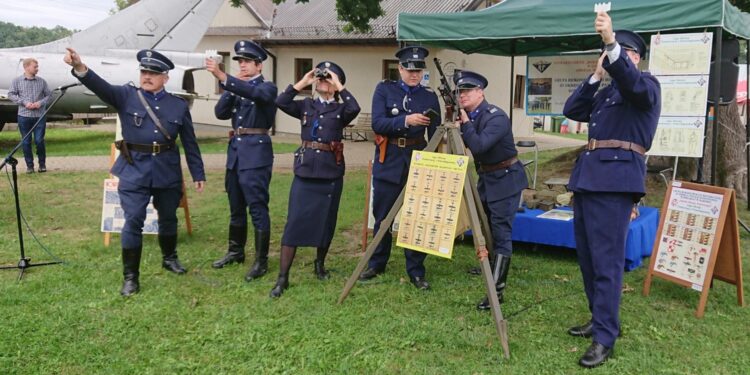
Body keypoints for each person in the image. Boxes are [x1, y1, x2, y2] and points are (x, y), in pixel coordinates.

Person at [64, 47, 206, 296]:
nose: (147, 76)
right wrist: (80, 67)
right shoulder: (126, 96)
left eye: (153, 73)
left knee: (169, 218)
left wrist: (198, 174)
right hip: (134, 169)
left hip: (166, 170)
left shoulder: (178, 105)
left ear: (166, 77)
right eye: (144, 71)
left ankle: (169, 258)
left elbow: (190, 143)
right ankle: (131, 277)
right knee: (133, 221)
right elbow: (101, 87)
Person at [562, 11, 660, 368]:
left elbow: (632, 83)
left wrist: (611, 44)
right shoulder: (605, 95)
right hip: (588, 180)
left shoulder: (646, 86)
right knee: (588, 258)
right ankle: (598, 318)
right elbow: (572, 109)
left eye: (625, 54)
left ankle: (606, 336)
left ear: (635, 57)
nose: (618, 59)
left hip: (616, 183)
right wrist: (594, 76)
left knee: (606, 261)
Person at [271, 61, 361, 297]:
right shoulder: (306, 105)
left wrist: (338, 84)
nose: (323, 80)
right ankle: (283, 278)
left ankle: (319, 265)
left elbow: (355, 108)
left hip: (330, 172)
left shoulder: (341, 110)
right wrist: (304, 81)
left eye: (328, 78)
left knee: (326, 222)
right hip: (306, 171)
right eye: (321, 77)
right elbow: (281, 102)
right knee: (294, 223)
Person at [359, 46, 441, 290]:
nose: (414, 74)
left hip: (418, 157)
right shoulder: (384, 89)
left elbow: (435, 132)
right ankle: (377, 262)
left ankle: (416, 270)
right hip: (390, 157)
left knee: (417, 215)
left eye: (418, 70)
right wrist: (406, 120)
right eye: (409, 70)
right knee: (383, 215)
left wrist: (433, 161)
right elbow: (377, 123)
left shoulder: (429, 96)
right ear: (400, 68)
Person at [450, 70, 527, 310]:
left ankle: (497, 291)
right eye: (460, 92)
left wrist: (464, 124)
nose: (463, 96)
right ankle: (492, 265)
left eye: (468, 91)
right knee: (484, 224)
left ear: (480, 93)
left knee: (501, 231)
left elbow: (480, 145)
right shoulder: (472, 115)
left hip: (505, 178)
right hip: (487, 177)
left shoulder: (496, 116)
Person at [205, 40, 278, 281]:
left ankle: (261, 260)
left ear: (259, 65)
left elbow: (256, 94)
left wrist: (225, 77)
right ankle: (235, 251)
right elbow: (220, 113)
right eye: (240, 61)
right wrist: (229, 86)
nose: (242, 65)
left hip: (256, 155)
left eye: (247, 61)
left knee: (257, 207)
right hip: (235, 154)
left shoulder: (267, 87)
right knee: (235, 207)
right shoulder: (237, 87)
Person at [7, 58, 52, 173]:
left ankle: (42, 165)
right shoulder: (17, 81)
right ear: (26, 67)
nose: (37, 69)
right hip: (24, 116)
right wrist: (24, 103)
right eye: (35, 66)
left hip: (39, 116)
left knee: (39, 140)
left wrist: (40, 103)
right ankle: (30, 166)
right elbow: (11, 95)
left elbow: (49, 96)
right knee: (26, 141)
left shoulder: (42, 81)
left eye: (37, 66)